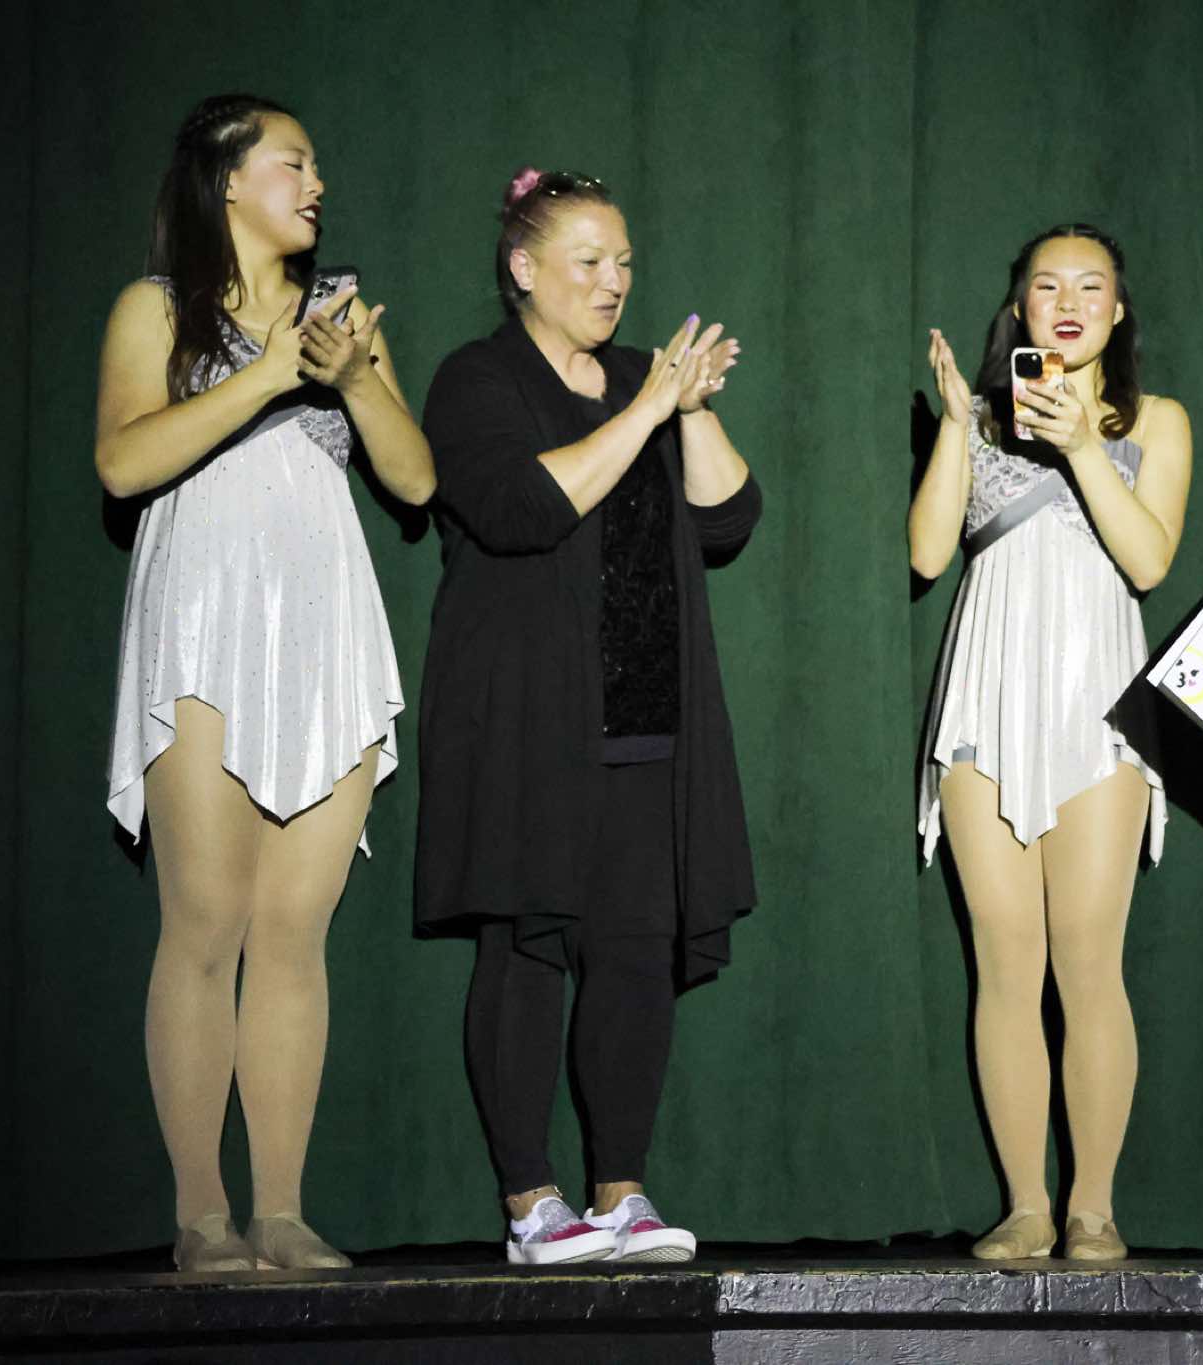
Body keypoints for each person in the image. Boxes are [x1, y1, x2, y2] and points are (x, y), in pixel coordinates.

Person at [96, 93, 435, 1271]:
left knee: (295, 929)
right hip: (204, 613)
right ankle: (201, 1215)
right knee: (205, 916)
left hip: (322, 622)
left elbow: (413, 481)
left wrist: (352, 376)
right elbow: (123, 460)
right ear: (228, 178)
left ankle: (280, 1211)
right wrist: (270, 373)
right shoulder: (155, 308)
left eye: (317, 165)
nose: (316, 182)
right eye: (294, 162)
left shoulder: (340, 315)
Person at [416, 167, 762, 1266]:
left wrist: (688, 411)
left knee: (632, 950)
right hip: (526, 712)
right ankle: (532, 1203)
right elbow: (522, 507)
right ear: (524, 268)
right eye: (589, 262)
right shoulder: (477, 378)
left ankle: (621, 1192)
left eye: (624, 263)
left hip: (645, 713)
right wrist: (650, 407)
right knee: (527, 942)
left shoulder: (642, 377)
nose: (615, 282)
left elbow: (728, 519)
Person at [910, 224, 1192, 1261]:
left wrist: (1078, 445)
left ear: (1118, 310)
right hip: (986, 699)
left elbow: (1149, 561)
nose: (1067, 303)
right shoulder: (981, 417)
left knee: (1087, 958)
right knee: (1004, 960)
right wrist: (955, 425)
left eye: (1089, 287)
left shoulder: (1157, 420)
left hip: (1098, 705)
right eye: (1045, 287)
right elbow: (927, 552)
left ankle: (1092, 1207)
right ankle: (1026, 1203)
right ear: (1019, 308)